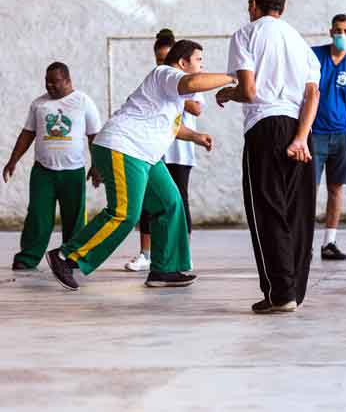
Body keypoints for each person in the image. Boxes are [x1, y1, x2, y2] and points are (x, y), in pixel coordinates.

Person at [45, 40, 232, 290]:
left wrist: (196, 137)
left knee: (170, 202)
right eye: (199, 61)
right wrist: (231, 77)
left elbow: (168, 125)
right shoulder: (166, 73)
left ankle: (164, 270)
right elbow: (191, 82)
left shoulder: (172, 94)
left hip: (144, 154)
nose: (201, 67)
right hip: (123, 147)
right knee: (124, 212)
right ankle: (65, 257)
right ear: (183, 62)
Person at [216, 0, 320, 315]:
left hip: (265, 128)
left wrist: (225, 93)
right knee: (298, 214)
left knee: (267, 211)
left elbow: (248, 90)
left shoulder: (246, 35)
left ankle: (279, 293)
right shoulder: (299, 41)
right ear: (283, 7)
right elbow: (313, 95)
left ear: (252, 4)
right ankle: (293, 291)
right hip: (300, 130)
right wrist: (302, 137)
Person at [4, 62, 102, 270]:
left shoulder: (83, 102)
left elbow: (95, 136)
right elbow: (28, 134)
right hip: (43, 172)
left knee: (74, 217)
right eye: (47, 82)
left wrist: (97, 166)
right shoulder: (39, 104)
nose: (49, 86)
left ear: (67, 81)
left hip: (73, 172)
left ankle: (72, 256)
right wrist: (13, 160)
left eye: (54, 82)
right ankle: (28, 257)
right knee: (38, 215)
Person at [125, 29, 206, 272]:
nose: (161, 64)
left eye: (165, 59)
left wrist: (176, 91)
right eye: (158, 60)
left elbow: (196, 109)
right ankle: (146, 254)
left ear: (179, 60)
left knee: (178, 200)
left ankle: (182, 254)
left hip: (180, 151)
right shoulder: (159, 77)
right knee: (149, 202)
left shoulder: (190, 81)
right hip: (153, 149)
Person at [311, 13, 346, 261]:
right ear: (330, 32)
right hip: (315, 135)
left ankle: (329, 243)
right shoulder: (315, 55)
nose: (341, 35)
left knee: (336, 189)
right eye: (338, 30)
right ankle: (303, 243)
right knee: (308, 190)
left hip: (342, 136)